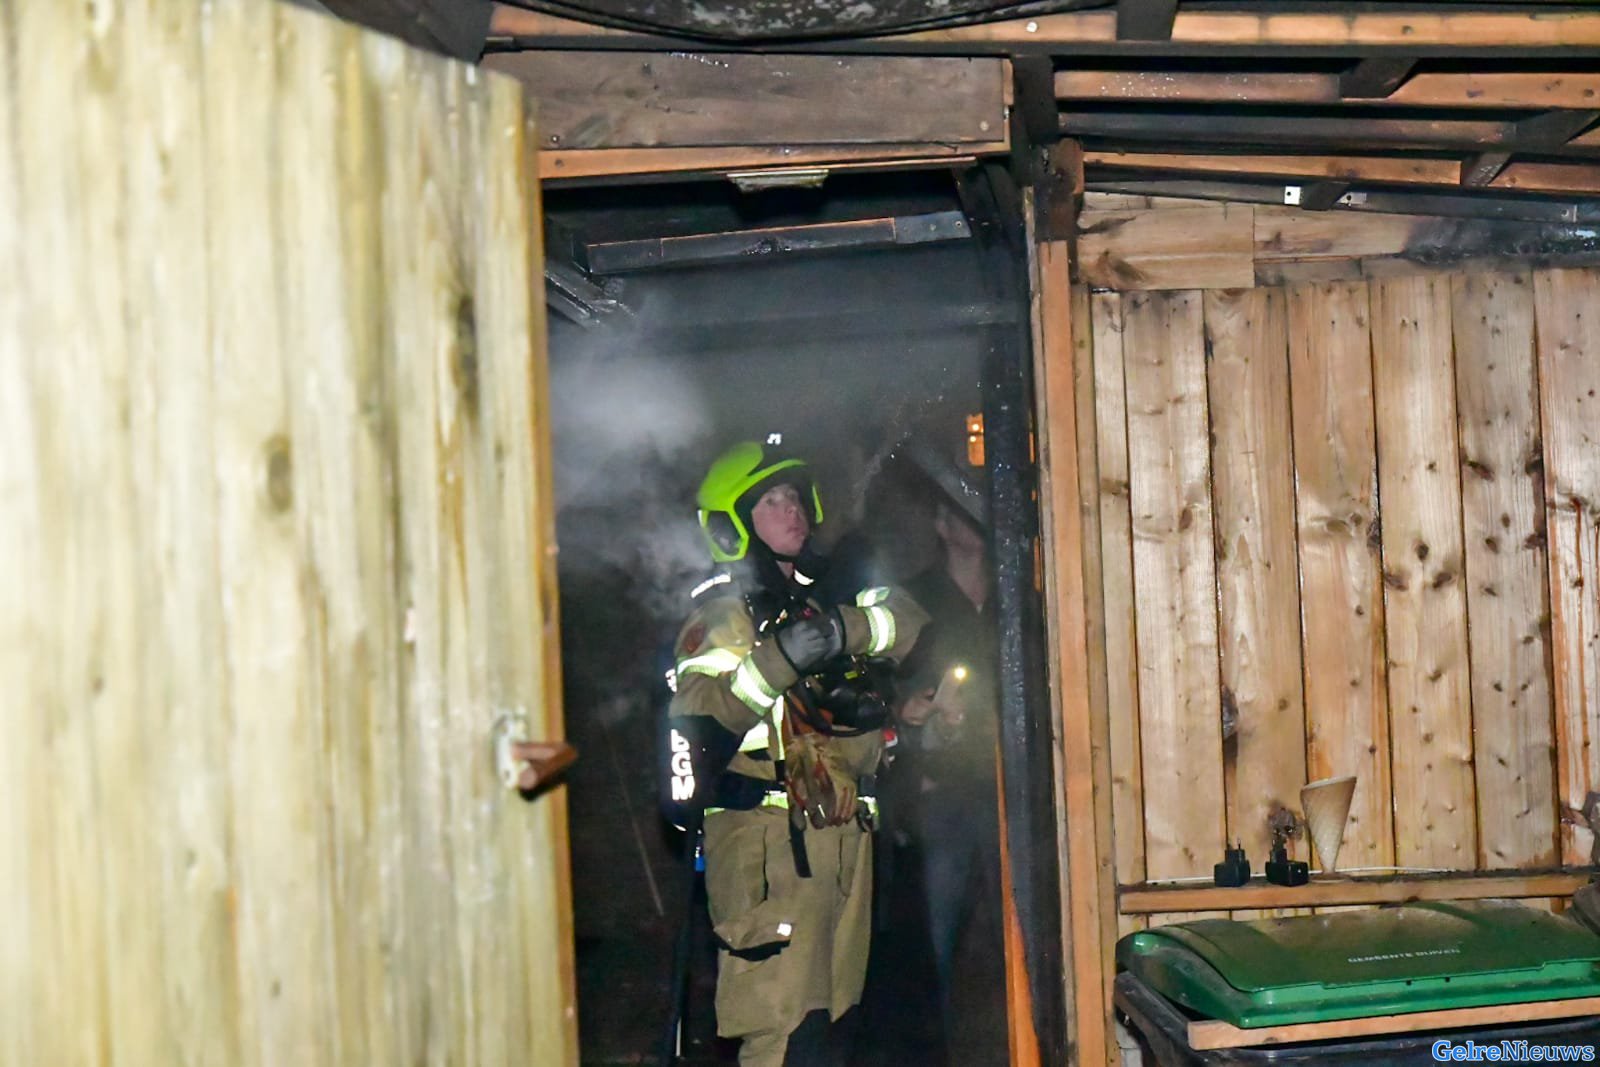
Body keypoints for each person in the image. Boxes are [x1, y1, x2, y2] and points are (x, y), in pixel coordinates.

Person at [664, 438, 928, 1067]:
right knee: (781, 1033)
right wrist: (782, 659)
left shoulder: (827, 597)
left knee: (835, 1032)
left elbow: (907, 619)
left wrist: (839, 631)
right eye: (771, 502)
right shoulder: (721, 620)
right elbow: (697, 722)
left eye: (795, 497)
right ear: (733, 526)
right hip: (768, 849)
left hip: (843, 841)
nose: (793, 512)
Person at [888, 489, 1007, 1064]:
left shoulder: (1017, 592)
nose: (973, 517)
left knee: (1020, 929)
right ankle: (932, 1051)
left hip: (1014, 785)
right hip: (945, 790)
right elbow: (892, 693)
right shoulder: (917, 597)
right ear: (939, 522)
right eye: (959, 507)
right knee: (935, 936)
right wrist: (920, 714)